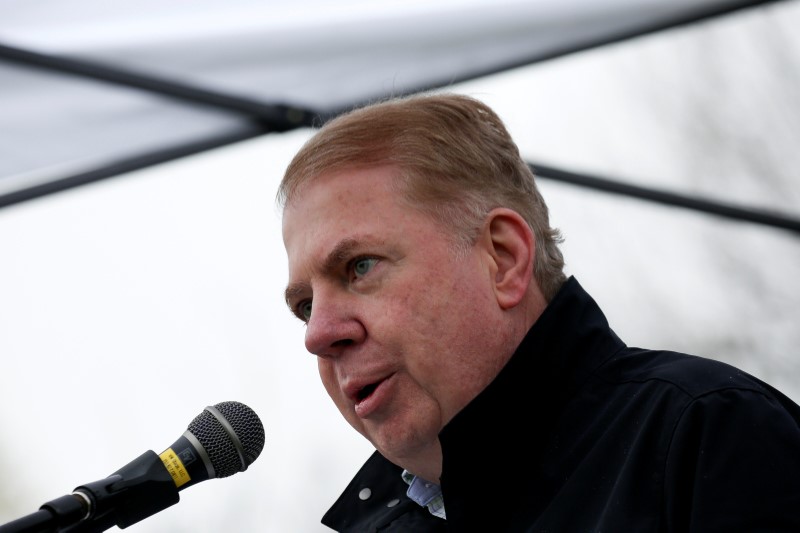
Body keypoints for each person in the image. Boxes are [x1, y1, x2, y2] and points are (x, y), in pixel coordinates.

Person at [276, 92, 800, 532]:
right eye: (305, 306)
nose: (318, 334)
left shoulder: (707, 435)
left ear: (503, 259)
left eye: (359, 266)